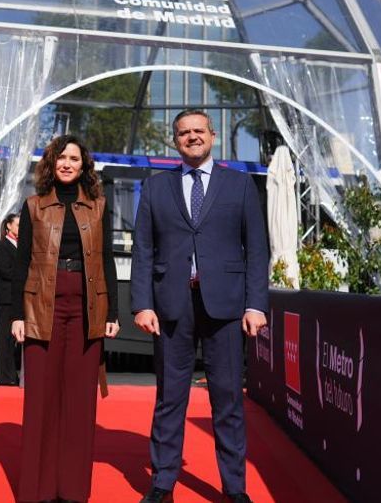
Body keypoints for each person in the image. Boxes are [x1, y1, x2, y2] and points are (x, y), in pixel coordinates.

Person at [131, 109, 269, 503]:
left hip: (226, 307)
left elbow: (257, 249)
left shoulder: (240, 185)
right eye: (183, 133)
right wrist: (141, 303)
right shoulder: (156, 188)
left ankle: (235, 488)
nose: (192, 137)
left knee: (227, 401)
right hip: (170, 306)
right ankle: (162, 484)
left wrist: (256, 304)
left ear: (213, 136)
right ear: (175, 141)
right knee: (169, 398)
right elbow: (143, 249)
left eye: (198, 131)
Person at [10, 135, 120, 503]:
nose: (68, 164)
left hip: (87, 308)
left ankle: (73, 491)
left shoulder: (100, 207)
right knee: (41, 400)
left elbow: (105, 260)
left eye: (74, 158)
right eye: (61, 157)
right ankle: (37, 492)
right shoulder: (34, 206)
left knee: (79, 402)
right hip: (42, 306)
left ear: (84, 165)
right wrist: (15, 316)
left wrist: (113, 312)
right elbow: (20, 262)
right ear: (51, 164)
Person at [0, 214, 21, 386]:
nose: (21, 228)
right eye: (18, 225)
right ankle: (4, 376)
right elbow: (6, 271)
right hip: (7, 298)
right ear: (9, 227)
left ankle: (12, 374)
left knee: (13, 338)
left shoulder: (19, 246)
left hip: (17, 297)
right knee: (5, 336)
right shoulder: (3, 247)